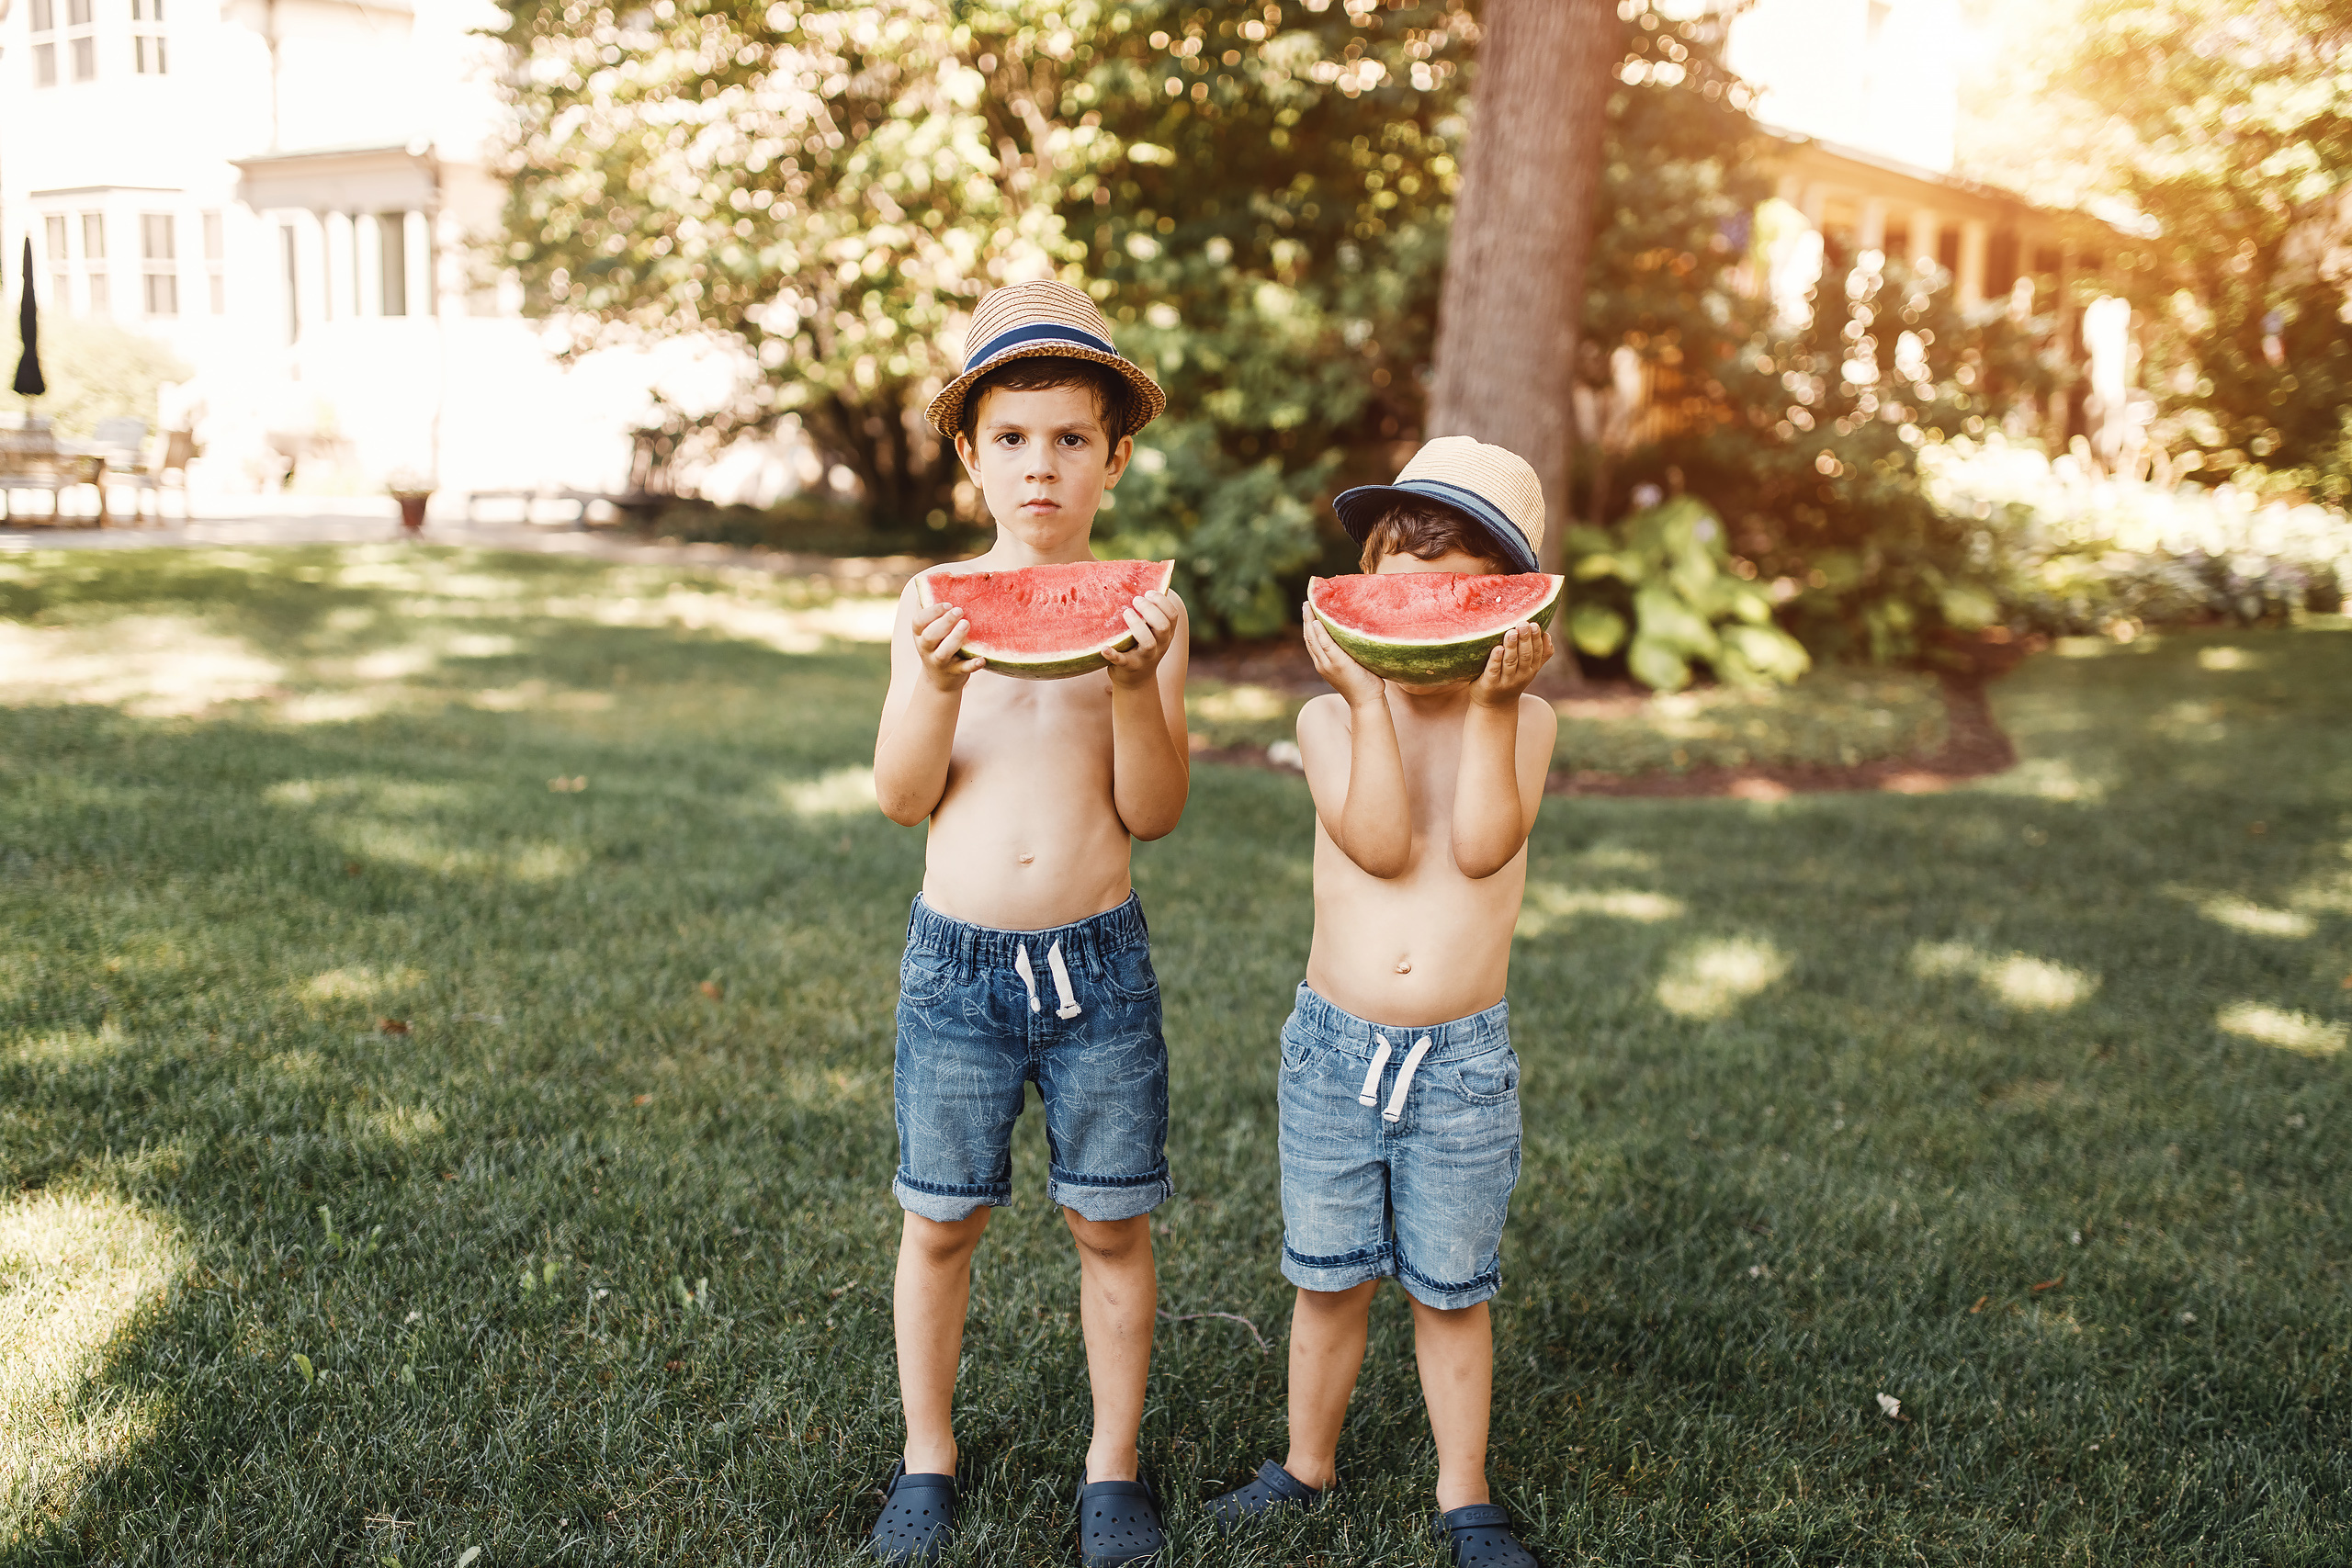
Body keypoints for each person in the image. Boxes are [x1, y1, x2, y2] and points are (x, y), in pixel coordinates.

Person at [866, 278, 1191, 1567]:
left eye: (1070, 438)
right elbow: (902, 795)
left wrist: (1133, 685)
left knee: (1110, 1222)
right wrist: (937, 683)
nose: (1040, 465)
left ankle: (1112, 1466)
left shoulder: (1150, 613)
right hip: (956, 966)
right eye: (1010, 437)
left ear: (1116, 457)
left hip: (1098, 966)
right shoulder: (931, 600)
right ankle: (926, 1455)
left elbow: (1153, 809)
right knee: (940, 1218)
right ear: (970, 454)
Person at [1207, 436, 1559, 1567]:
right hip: (1332, 1054)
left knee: (1451, 1294)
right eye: (1397, 596)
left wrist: (1496, 709)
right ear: (1364, 591)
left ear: (1506, 611)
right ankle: (1304, 1465)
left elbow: (1481, 845)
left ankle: (1466, 1495)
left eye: (1454, 600)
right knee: (1327, 1284)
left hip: (1462, 1066)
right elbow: (1379, 842)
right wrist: (1362, 697)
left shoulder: (1528, 724)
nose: (1420, 623)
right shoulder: (1325, 721)